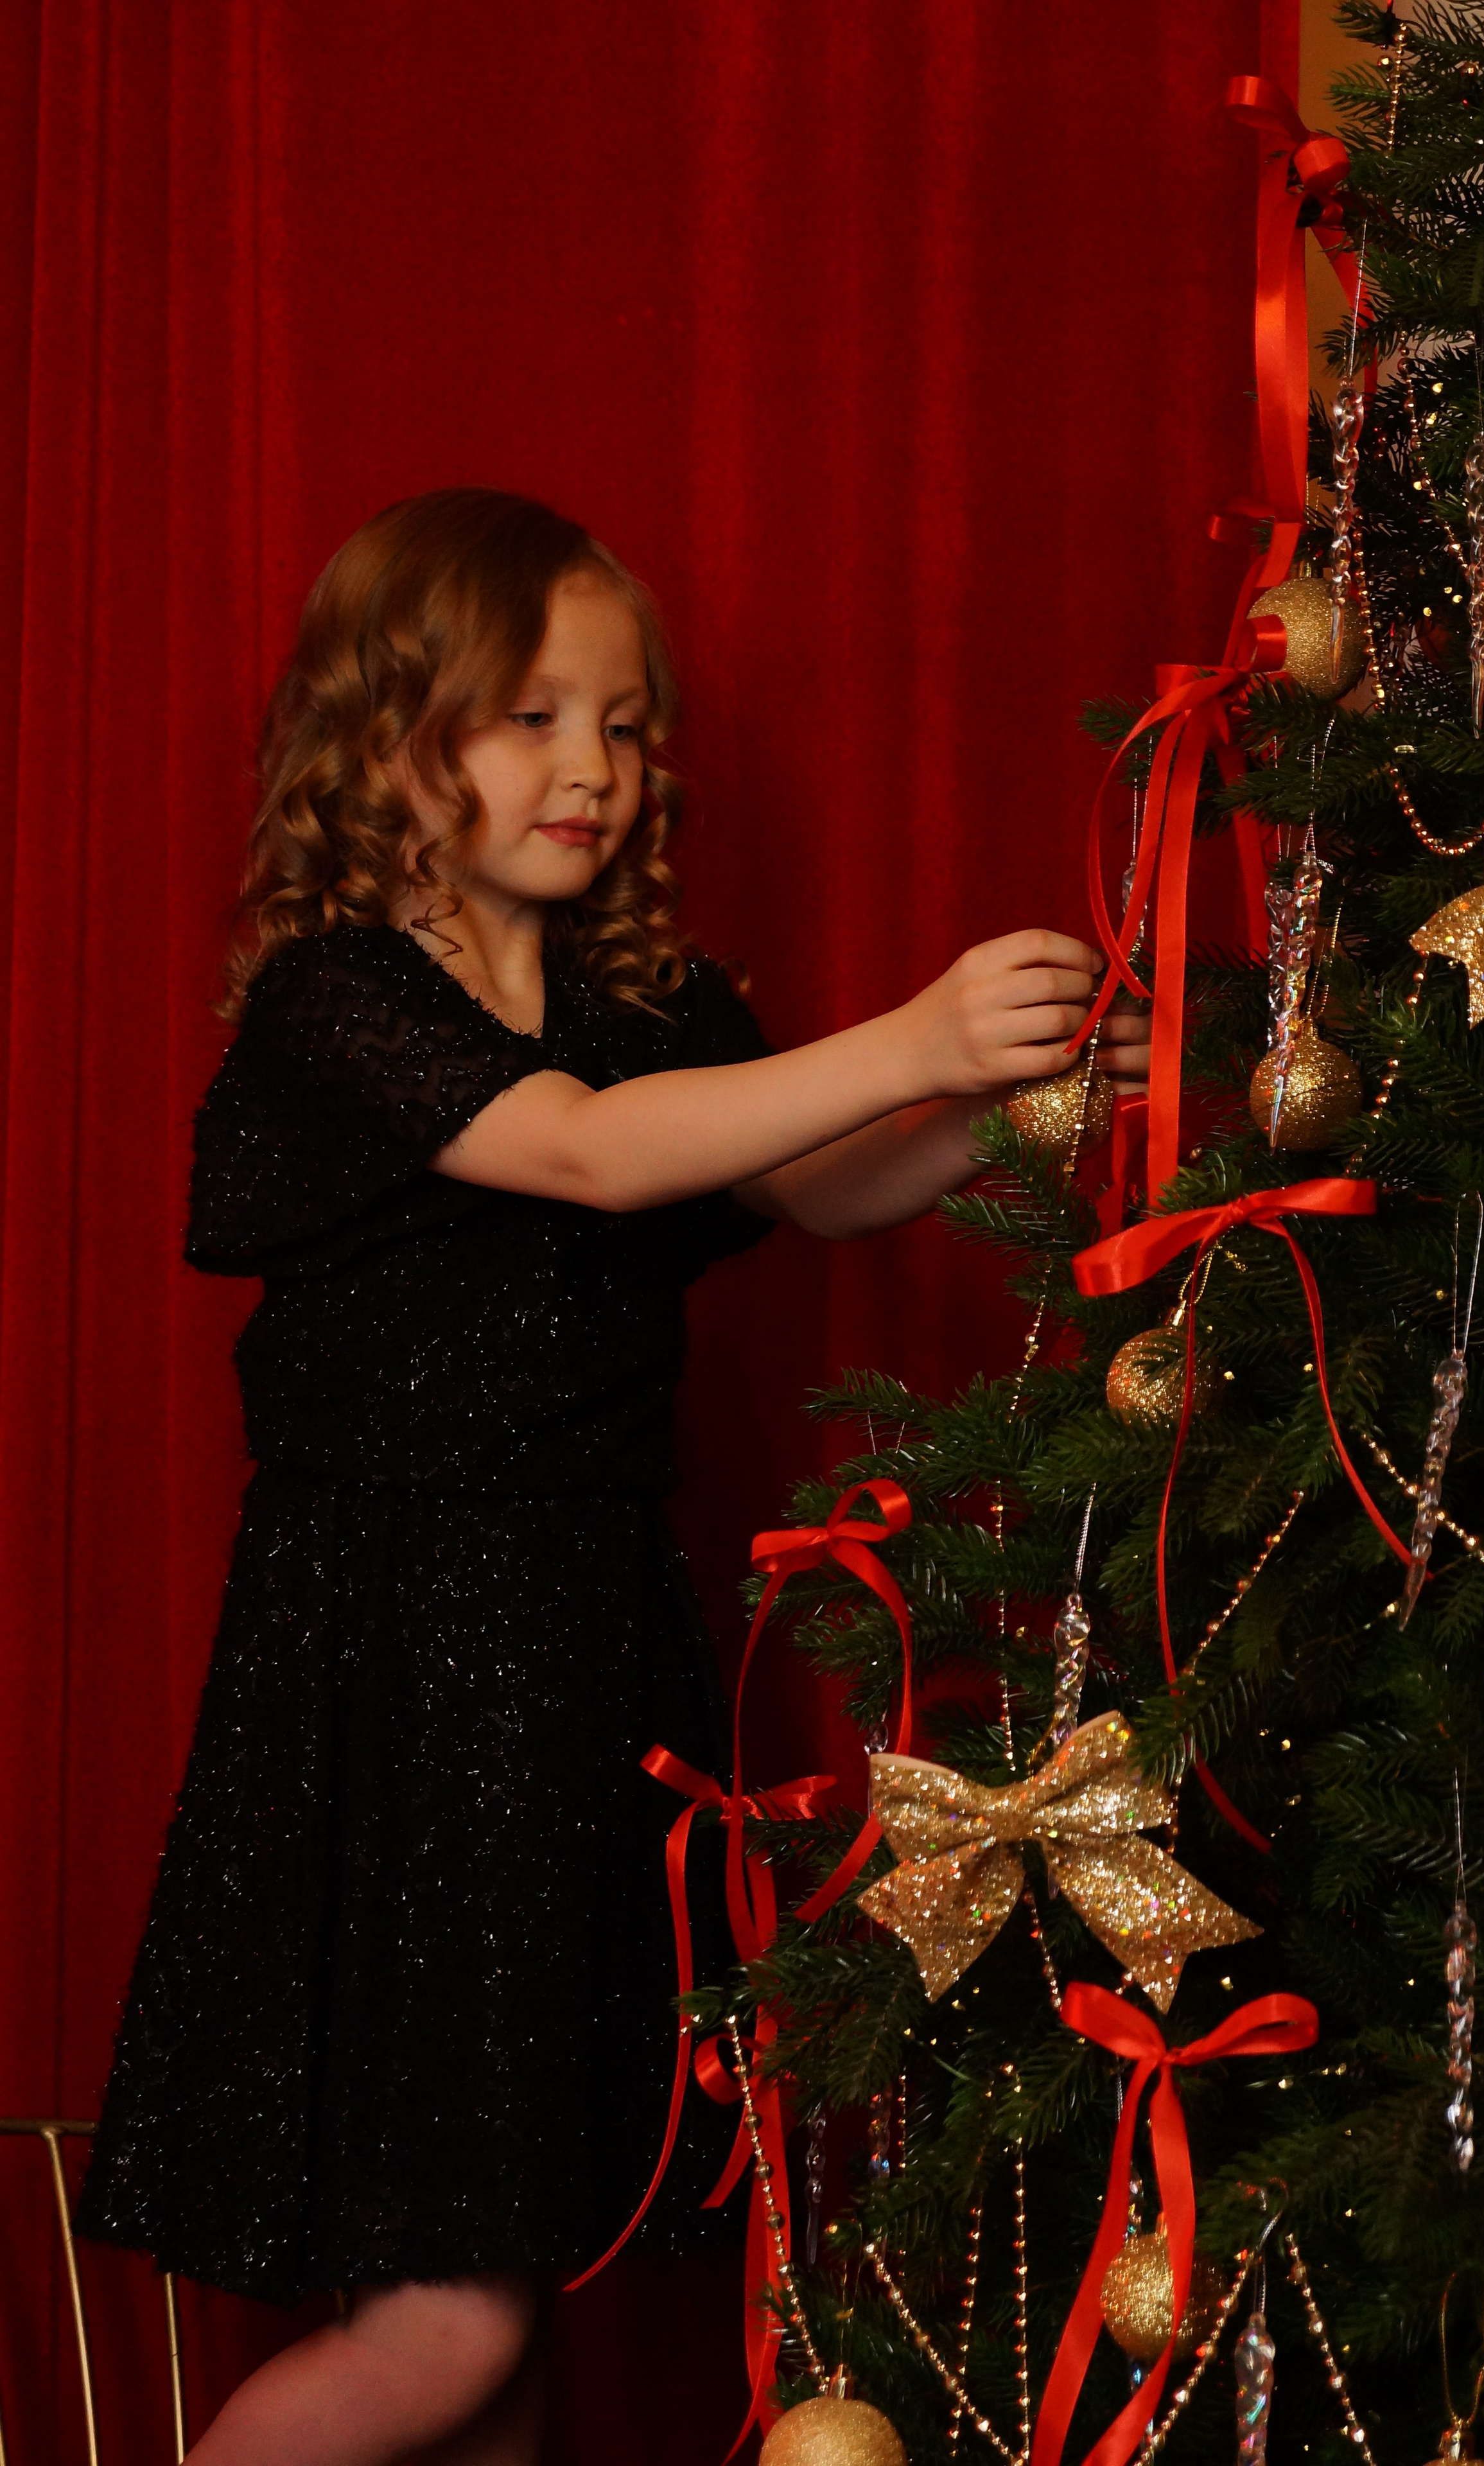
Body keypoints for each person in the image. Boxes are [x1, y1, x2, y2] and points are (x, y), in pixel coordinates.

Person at [74, 487, 1147, 2464]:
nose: (595, 768)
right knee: (449, 2322)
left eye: (627, 725)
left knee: (519, 2301)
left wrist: (1003, 1098)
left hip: (577, 1683)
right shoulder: (348, 1007)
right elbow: (582, 1153)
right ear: (390, 739)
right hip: (396, 1690)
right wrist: (907, 1030)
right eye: (532, 715)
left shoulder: (636, 1012)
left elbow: (810, 1182)